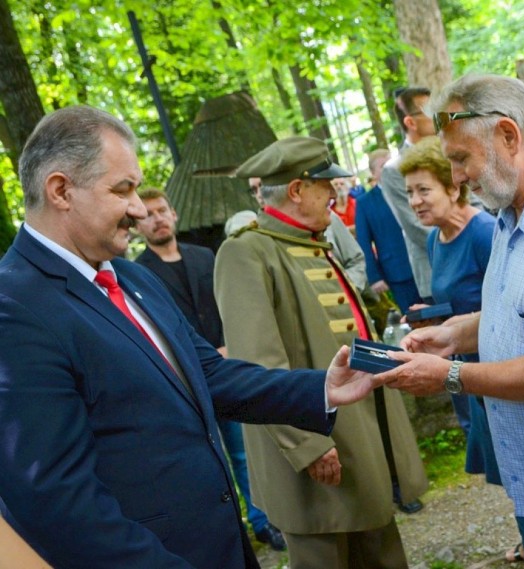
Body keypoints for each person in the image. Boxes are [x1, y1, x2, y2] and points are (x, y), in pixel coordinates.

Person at [0, 106, 376, 569]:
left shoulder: (132, 278)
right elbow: (57, 501)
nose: (139, 210)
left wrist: (320, 387)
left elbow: (208, 374)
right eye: (124, 190)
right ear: (60, 190)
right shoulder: (14, 309)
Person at [376, 74, 524, 569]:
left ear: (509, 136)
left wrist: (450, 375)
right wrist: (453, 335)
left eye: (461, 159)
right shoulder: (509, 216)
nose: (458, 177)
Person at [214, 136, 427, 569]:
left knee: (380, 553)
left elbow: (345, 336)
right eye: (323, 185)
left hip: (356, 435)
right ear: (296, 190)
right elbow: (258, 364)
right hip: (316, 443)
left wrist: (396, 358)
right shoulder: (246, 252)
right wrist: (306, 445)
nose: (333, 194)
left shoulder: (312, 241)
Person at [134, 188, 286, 551]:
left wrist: (230, 344)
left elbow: (230, 303)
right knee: (207, 460)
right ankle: (228, 530)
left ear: (173, 213)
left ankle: (263, 520)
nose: (156, 218)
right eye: (147, 214)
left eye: (161, 211)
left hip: (224, 365)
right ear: (138, 224)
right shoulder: (138, 273)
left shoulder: (205, 256)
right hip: (182, 381)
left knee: (242, 450)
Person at [398, 135, 500, 483]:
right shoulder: (434, 239)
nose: (414, 201)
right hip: (460, 362)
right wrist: (428, 314)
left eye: (424, 190)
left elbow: (506, 301)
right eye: (409, 192)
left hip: (495, 367)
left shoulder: (484, 232)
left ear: (454, 189)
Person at [382, 86, 438, 300]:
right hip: (436, 274)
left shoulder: (452, 152)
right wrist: (465, 243)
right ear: (410, 122)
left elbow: (475, 202)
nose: (439, 116)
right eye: (431, 111)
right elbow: (417, 227)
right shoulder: (394, 170)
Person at [355, 149, 422, 314]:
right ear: (373, 173)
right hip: (397, 270)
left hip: (424, 261)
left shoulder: (409, 190)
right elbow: (364, 242)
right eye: (383, 167)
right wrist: (374, 276)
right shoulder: (365, 203)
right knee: (415, 318)